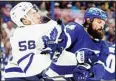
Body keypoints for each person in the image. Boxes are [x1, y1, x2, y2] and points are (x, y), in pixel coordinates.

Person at [42, 7, 109, 81]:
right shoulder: (77, 29)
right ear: (89, 20)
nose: (101, 26)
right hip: (56, 77)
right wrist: (58, 44)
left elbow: (101, 68)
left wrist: (89, 74)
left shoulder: (103, 45)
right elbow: (66, 38)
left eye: (103, 23)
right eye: (99, 22)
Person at [4, 2, 63, 81]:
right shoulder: (29, 31)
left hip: (23, 73)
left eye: (36, 12)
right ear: (25, 20)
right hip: (19, 75)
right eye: (33, 14)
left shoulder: (22, 31)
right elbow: (56, 26)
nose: (38, 16)